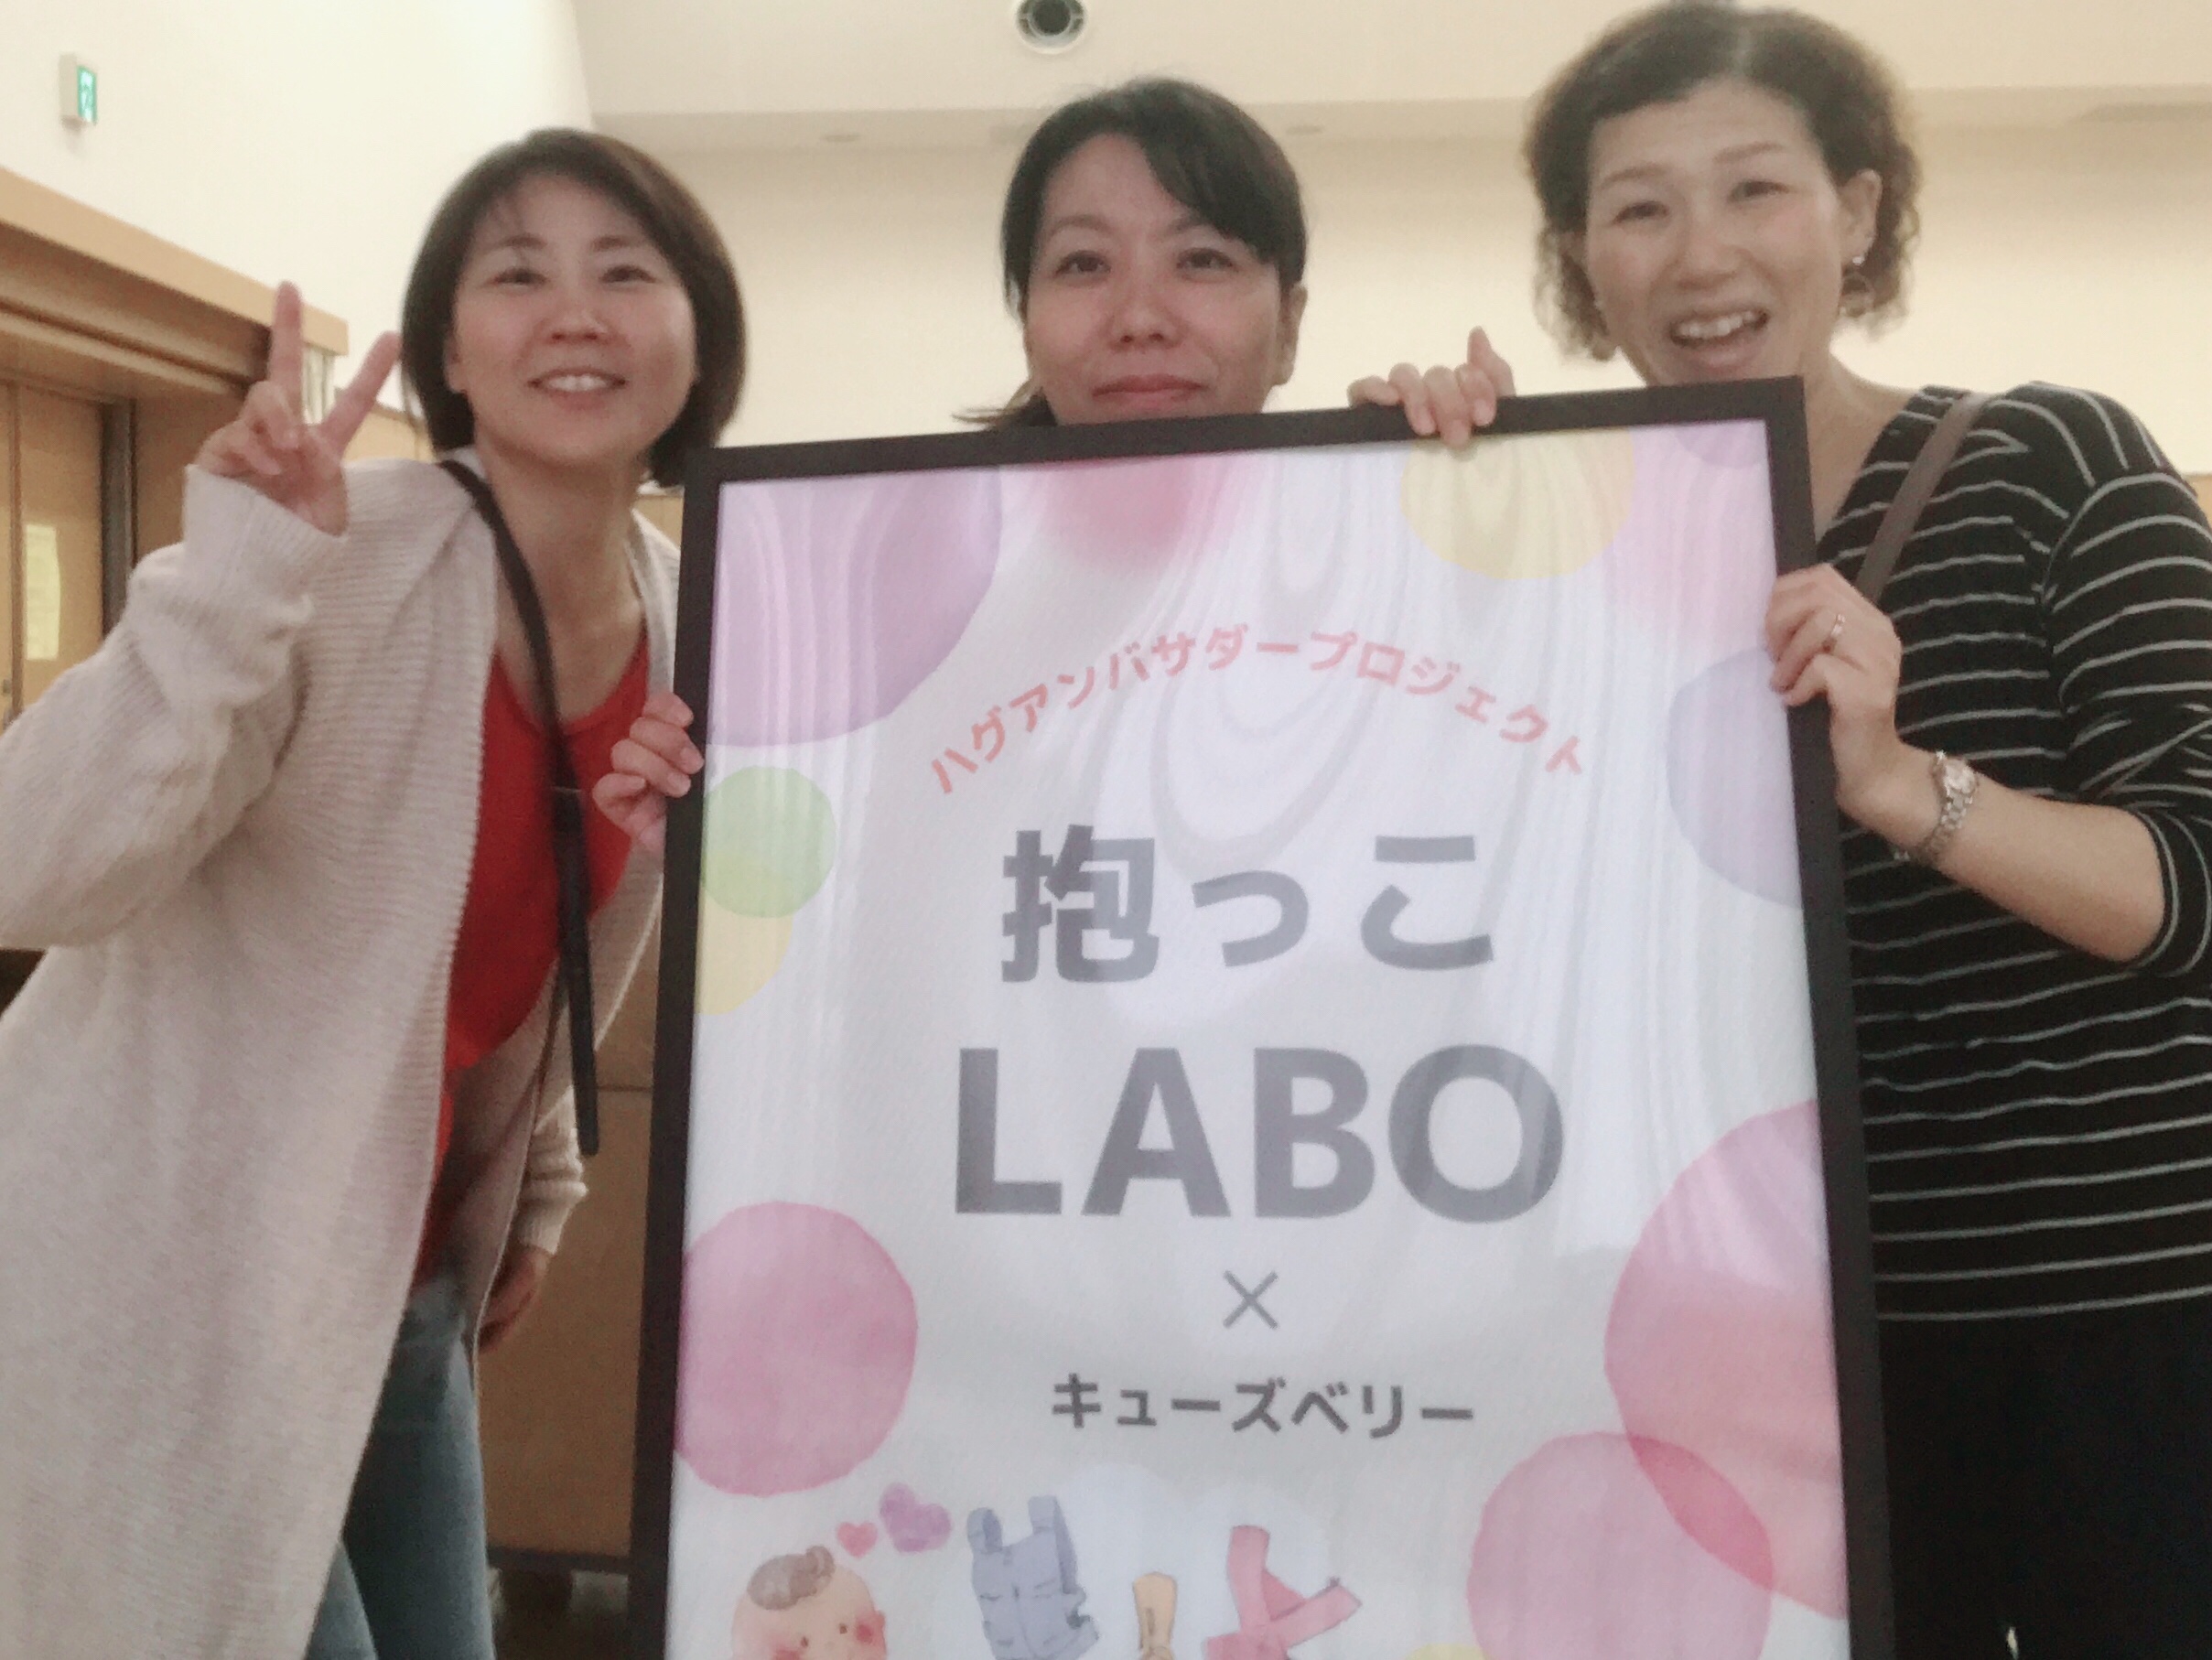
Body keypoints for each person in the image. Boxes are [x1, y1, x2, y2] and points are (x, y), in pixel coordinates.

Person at [1362, 5, 2212, 1655]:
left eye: (1754, 187)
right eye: (1639, 207)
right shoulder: (1566, 544)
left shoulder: (2052, 461)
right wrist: (1390, 507)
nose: (1702, 254)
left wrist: (1904, 789)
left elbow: (2186, 881)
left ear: (1859, 211)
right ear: (1578, 258)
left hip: (2115, 1322)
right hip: (1761, 1342)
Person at [0, 128, 741, 1659]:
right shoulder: (340, 556)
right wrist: (229, 582)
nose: (576, 312)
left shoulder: (686, 612)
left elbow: (521, 949)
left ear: (698, 332)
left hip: (391, 1290)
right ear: (451, 352)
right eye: (517, 275)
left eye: (625, 272)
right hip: (162, 1282)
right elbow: (33, 868)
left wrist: (534, 1187)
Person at [599, 77, 1308, 844]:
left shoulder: (1377, 568)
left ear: (1289, 327)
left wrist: (1418, 459)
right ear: (1027, 328)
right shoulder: (896, 603)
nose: (1139, 318)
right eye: (1083, 264)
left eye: (1201, 258)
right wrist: (720, 849)